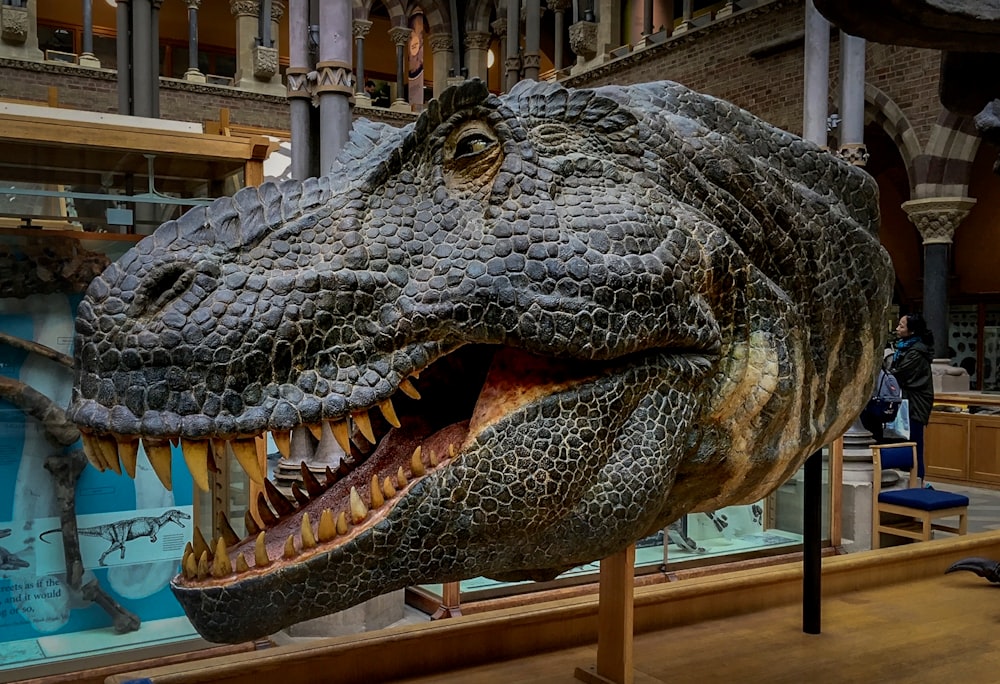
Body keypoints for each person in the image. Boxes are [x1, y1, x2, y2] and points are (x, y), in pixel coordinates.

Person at [889, 312, 935, 485]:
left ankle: (918, 481)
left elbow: (900, 373)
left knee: (915, 443)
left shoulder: (916, 352)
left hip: (915, 403)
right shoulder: (904, 348)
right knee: (905, 442)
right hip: (907, 400)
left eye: (901, 326)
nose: (897, 329)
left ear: (912, 331)